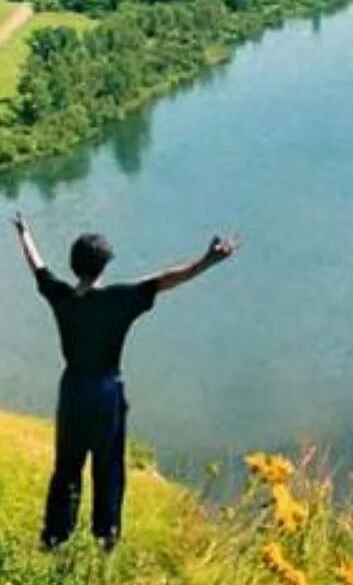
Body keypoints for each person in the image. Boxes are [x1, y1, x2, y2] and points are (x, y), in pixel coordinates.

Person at [13, 211, 239, 550]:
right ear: (104, 266)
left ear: (75, 265)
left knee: (67, 465)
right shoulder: (119, 300)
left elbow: (38, 268)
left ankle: (56, 536)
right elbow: (165, 279)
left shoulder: (62, 297)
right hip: (106, 392)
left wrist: (23, 233)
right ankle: (107, 535)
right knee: (108, 466)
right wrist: (207, 260)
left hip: (73, 390)